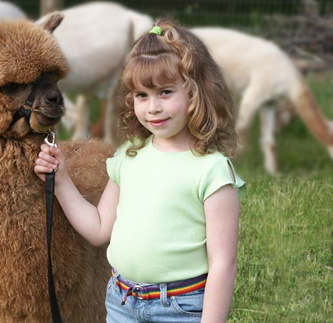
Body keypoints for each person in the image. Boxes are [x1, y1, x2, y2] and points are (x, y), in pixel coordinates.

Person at [34, 18, 247, 323]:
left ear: (196, 92)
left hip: (180, 308)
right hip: (122, 301)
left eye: (165, 92)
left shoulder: (211, 171)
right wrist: (63, 179)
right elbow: (98, 229)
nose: (153, 108)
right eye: (142, 95)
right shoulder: (129, 157)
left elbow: (223, 263)